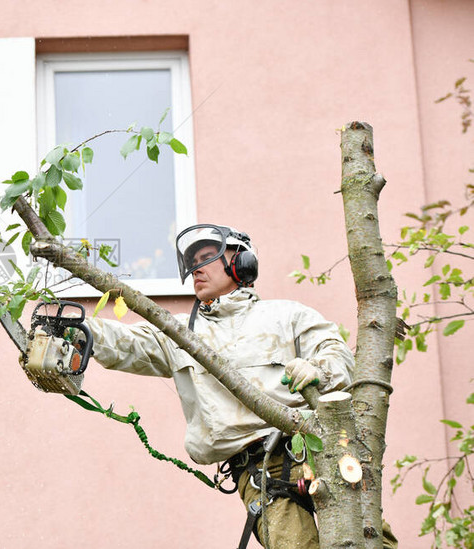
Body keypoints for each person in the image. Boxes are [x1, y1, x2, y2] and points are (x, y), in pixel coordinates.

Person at [84, 224, 396, 549]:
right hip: (261, 469)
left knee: (373, 541)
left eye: (206, 257)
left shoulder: (286, 315)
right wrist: (77, 330)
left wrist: (318, 370)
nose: (196, 268)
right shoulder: (180, 333)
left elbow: (337, 355)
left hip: (320, 449)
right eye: (192, 261)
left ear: (241, 264)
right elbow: (123, 341)